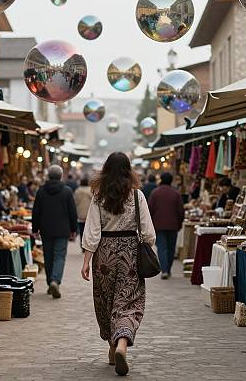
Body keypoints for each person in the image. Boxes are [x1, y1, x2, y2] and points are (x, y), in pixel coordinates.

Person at [81, 152, 155, 377]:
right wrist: (148, 247)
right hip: (130, 254)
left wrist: (86, 260)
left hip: (104, 254)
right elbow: (148, 231)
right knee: (128, 301)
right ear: (128, 170)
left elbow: (92, 230)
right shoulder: (137, 196)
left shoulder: (99, 196)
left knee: (105, 300)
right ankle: (122, 344)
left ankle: (112, 349)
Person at [32, 165, 77, 299]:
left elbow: (36, 211)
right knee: (59, 256)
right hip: (62, 229)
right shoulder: (67, 191)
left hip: (46, 229)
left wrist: (35, 229)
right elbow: (72, 212)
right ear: (61, 176)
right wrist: (74, 229)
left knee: (48, 256)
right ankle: (54, 280)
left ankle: (49, 282)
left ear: (48, 176)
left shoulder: (41, 191)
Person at [148, 172, 184, 279]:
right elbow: (180, 211)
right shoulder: (176, 193)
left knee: (162, 248)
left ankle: (164, 270)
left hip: (159, 224)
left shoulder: (155, 193)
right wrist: (180, 223)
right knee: (171, 248)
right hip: (173, 225)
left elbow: (150, 209)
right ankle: (167, 269)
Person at [74, 176, 92, 248]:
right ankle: (87, 245)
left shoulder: (77, 191)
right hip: (89, 213)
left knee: (81, 229)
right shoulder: (90, 190)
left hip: (80, 213)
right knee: (88, 230)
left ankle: (82, 244)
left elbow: (75, 202)